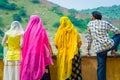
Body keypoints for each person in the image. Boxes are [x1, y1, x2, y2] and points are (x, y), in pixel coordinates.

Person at [86, 11, 120, 80]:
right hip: (109, 45)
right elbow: (117, 31)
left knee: (101, 68)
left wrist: (88, 51)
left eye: (91, 16)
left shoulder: (89, 24)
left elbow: (89, 39)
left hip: (99, 50)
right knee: (118, 35)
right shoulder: (105, 23)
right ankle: (114, 50)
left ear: (93, 17)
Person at [20, 15, 53, 80]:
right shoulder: (42, 30)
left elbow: (23, 44)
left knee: (30, 70)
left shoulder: (27, 32)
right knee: (41, 69)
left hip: (29, 54)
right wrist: (50, 52)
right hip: (39, 54)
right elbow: (46, 43)